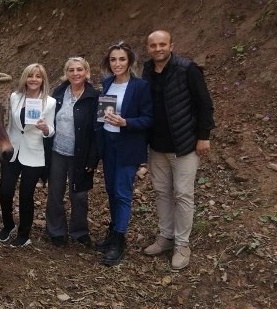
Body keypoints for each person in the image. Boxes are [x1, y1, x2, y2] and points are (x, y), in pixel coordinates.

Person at [142, 30, 215, 270]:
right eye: (153, 45)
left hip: (184, 145)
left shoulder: (187, 69)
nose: (158, 48)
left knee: (183, 194)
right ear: (148, 48)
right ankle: (166, 236)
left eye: (162, 44)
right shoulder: (147, 69)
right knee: (162, 192)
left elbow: (204, 103)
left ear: (171, 45)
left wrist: (203, 136)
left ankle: (182, 244)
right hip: (157, 146)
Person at [95, 42, 152, 266]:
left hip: (128, 145)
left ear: (129, 61)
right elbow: (102, 113)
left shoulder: (140, 87)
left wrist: (126, 122)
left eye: (121, 59)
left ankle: (120, 239)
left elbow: (149, 118)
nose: (117, 64)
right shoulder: (107, 83)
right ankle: (113, 231)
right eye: (113, 59)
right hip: (108, 143)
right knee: (111, 189)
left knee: (122, 192)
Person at [0, 63, 56, 248]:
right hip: (13, 150)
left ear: (43, 80)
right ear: (25, 77)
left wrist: (46, 129)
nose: (34, 79)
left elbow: (51, 129)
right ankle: (8, 225)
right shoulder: (15, 97)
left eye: (38, 76)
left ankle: (24, 234)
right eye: (30, 75)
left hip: (34, 152)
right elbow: (10, 126)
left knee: (26, 195)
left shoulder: (50, 102)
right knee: (5, 191)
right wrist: (3, 146)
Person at [46, 57, 98, 248]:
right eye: (71, 70)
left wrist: (93, 157)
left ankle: (80, 231)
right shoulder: (58, 93)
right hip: (57, 151)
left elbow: (97, 130)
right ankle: (56, 230)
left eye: (79, 70)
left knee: (80, 195)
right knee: (55, 193)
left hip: (81, 154)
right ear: (66, 73)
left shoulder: (95, 97)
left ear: (86, 72)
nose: (75, 74)